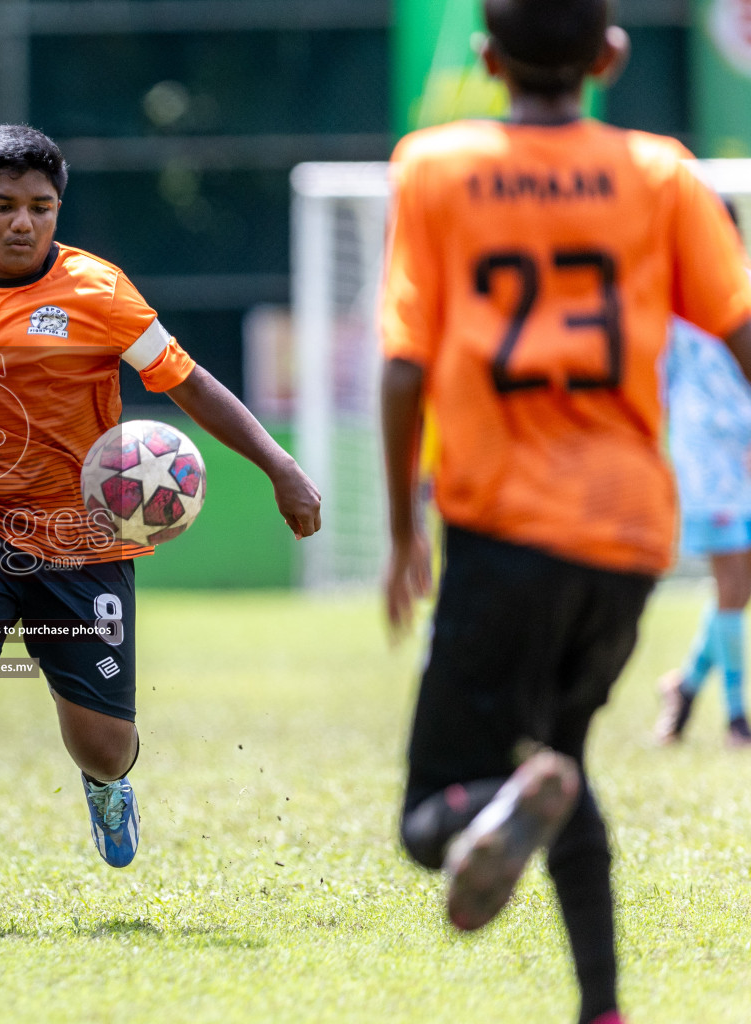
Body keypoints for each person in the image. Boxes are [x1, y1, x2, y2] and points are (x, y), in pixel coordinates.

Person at [0, 123, 320, 895]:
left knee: (101, 743)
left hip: (83, 540)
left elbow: (186, 382)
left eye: (40, 206)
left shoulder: (98, 290)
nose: (22, 222)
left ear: (58, 211)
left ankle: (107, 785)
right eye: (2, 206)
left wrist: (278, 465)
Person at [378, 3, 751, 1023]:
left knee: (429, 815)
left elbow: (406, 363)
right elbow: (742, 329)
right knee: (563, 760)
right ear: (612, 55)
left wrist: (407, 528)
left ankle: (490, 811)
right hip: (630, 533)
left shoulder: (435, 167)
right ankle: (603, 1010)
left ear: (489, 59)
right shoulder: (664, 172)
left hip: (502, 524)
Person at [656, 200, 751, 748]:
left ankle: (685, 684)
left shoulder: (738, 290)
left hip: (744, 452)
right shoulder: (669, 304)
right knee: (732, 581)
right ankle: (738, 718)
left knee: (741, 585)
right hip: (707, 461)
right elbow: (660, 383)